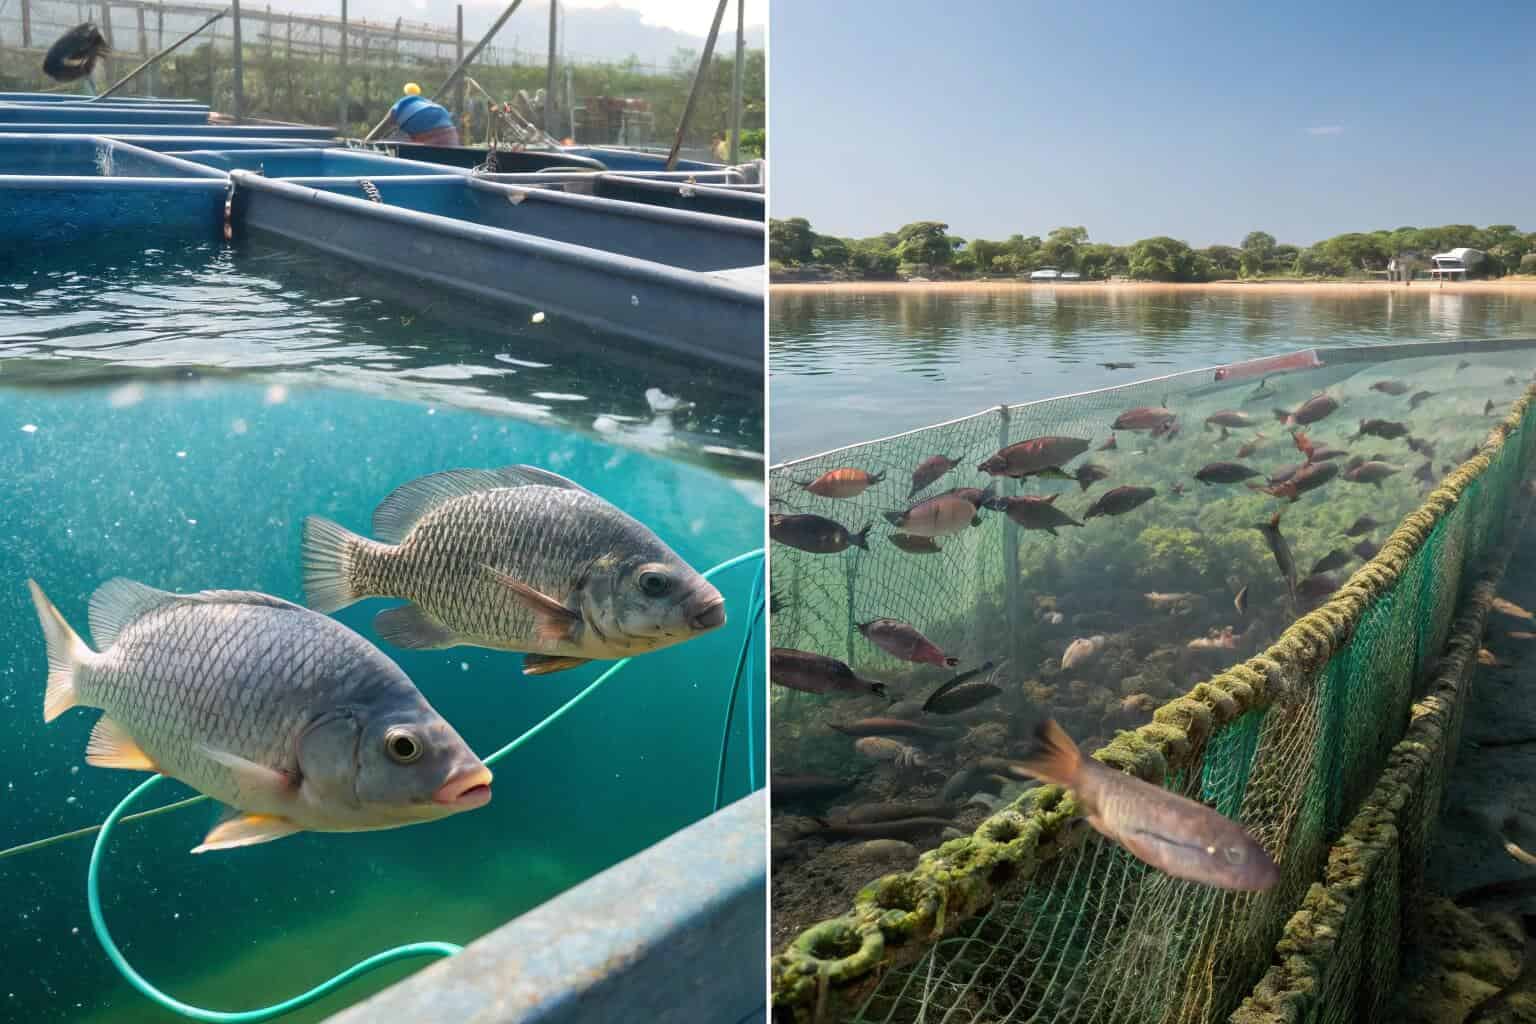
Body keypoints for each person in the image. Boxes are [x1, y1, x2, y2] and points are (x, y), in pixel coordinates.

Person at [387, 83, 461, 146]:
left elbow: (382, 129)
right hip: (448, 128)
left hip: (428, 132)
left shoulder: (398, 108)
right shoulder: (425, 103)